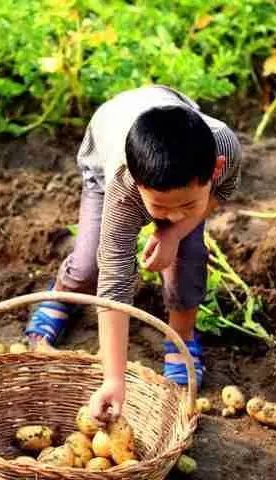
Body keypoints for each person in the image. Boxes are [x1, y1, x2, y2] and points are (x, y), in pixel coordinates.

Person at [25, 85, 242, 422]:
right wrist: (114, 379)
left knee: (190, 260)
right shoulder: (123, 189)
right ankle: (63, 291)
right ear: (138, 184)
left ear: (215, 169)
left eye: (185, 203)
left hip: (170, 119)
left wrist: (173, 233)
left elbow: (219, 195)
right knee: (88, 267)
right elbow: (116, 283)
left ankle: (181, 339)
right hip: (106, 145)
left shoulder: (223, 148)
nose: (170, 214)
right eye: (159, 208)